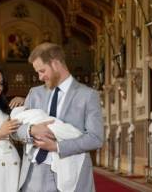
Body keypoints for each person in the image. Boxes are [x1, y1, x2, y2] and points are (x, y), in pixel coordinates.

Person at [13, 42, 104, 192]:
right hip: (32, 174)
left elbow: (95, 138)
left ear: (55, 64)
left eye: (42, 71)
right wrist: (31, 130)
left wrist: (57, 147)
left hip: (70, 173)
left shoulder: (88, 95)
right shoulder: (34, 93)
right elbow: (14, 131)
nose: (40, 77)